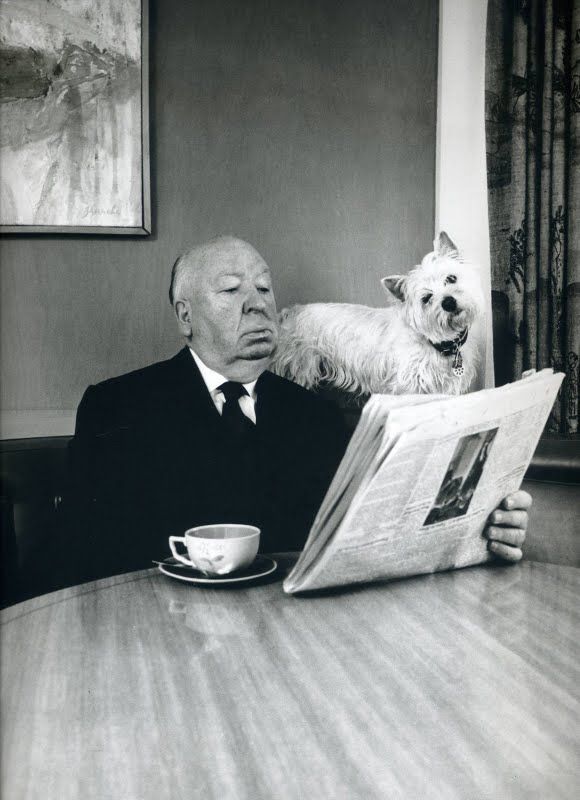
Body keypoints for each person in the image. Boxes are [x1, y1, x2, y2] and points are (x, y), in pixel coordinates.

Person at [65, 235, 531, 583]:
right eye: (231, 291)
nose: (258, 305)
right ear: (185, 316)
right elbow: (83, 558)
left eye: (265, 289)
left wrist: (480, 536)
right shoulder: (115, 408)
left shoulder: (317, 418)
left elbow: (365, 549)